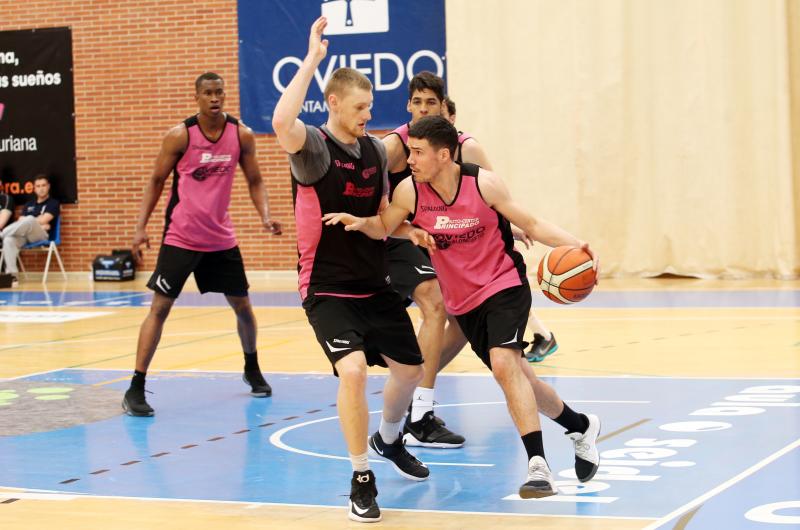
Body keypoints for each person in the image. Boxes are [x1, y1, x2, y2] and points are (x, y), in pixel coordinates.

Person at [323, 115, 602, 498]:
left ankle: (538, 466)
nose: (412, 160)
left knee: (505, 365)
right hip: (464, 302)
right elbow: (384, 225)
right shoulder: (410, 192)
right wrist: (363, 222)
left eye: (418, 153)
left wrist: (579, 248)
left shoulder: (482, 183)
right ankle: (580, 425)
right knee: (522, 378)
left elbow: (533, 224)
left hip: (503, 284)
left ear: (443, 154)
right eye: (410, 152)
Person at [272, 17, 429, 523]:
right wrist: (313, 60)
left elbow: (382, 222)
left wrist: (404, 230)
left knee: (411, 369)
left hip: (373, 283)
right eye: (360, 107)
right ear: (334, 103)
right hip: (327, 288)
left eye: (370, 106)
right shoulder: (314, 149)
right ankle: (361, 476)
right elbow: (280, 122)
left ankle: (387, 438)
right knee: (355, 371)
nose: (369, 114)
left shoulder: (374, 153)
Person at [122, 72, 282, 417]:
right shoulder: (181, 136)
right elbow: (155, 180)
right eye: (208, 93)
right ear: (196, 96)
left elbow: (255, 179)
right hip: (181, 236)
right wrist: (139, 228)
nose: (215, 98)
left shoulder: (241, 135)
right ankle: (135, 387)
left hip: (220, 238)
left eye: (219, 92)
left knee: (243, 305)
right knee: (160, 309)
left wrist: (265, 216)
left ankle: (252, 368)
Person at [441, 95, 558, 362]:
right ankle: (542, 335)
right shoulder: (425, 151)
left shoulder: (467, 147)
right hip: (455, 235)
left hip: (479, 232)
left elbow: (493, 191)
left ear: (452, 117)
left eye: (438, 110)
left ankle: (541, 336)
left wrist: (508, 227)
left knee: (499, 290)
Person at [1, 175, 60, 284]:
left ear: (48, 187)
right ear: (34, 188)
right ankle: (12, 277)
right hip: (25, 236)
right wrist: (37, 221)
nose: (41, 188)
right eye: (38, 186)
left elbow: (44, 220)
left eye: (43, 185)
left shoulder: (53, 203)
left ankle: (2, 233)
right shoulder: (29, 204)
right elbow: (21, 220)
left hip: (41, 235)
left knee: (29, 218)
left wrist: (34, 221)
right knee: (8, 240)